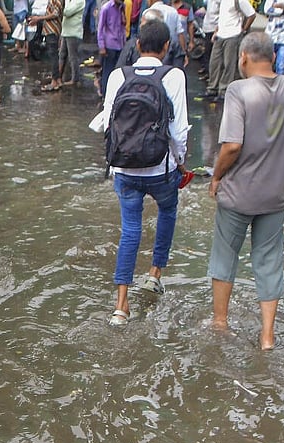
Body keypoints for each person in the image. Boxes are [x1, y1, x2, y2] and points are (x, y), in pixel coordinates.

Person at [208, 32, 284, 350]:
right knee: (270, 260)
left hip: (238, 193)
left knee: (225, 255)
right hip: (276, 193)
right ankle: (268, 336)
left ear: (243, 57)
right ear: (273, 58)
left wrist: (216, 177)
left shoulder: (238, 90)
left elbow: (232, 146)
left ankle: (220, 323)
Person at [101, 20, 189, 325]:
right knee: (168, 210)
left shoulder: (117, 75)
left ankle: (121, 306)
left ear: (137, 46)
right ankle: (154, 274)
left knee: (130, 232)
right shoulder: (174, 75)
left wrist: (113, 164)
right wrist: (180, 163)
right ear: (167, 48)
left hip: (124, 167)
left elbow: (107, 122)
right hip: (159, 168)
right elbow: (178, 131)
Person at [205, 0, 255, 100]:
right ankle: (212, 88)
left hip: (233, 35)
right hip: (221, 34)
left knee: (229, 64)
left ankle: (224, 89)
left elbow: (252, 15)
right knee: (214, 63)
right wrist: (216, 32)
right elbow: (223, 18)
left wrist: (243, 29)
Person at [32, 0, 64, 91]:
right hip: (49, 29)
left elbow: (55, 14)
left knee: (53, 55)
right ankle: (57, 79)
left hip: (53, 30)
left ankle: (54, 81)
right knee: (53, 55)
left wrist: (39, 18)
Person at [147, 0, 188, 69]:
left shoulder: (148, 12)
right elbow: (180, 33)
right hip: (172, 48)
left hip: (153, 50)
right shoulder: (173, 11)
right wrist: (184, 53)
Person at [97, 0, 126, 96]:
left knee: (118, 71)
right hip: (109, 44)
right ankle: (105, 94)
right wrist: (102, 46)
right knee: (108, 71)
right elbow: (100, 28)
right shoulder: (106, 8)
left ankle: (115, 93)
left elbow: (122, 26)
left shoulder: (122, 7)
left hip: (120, 44)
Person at [59, 0, 85, 85]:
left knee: (73, 57)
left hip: (74, 32)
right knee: (62, 55)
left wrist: (60, 6)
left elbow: (67, 12)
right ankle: (59, 75)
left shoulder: (80, 1)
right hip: (66, 31)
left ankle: (75, 79)